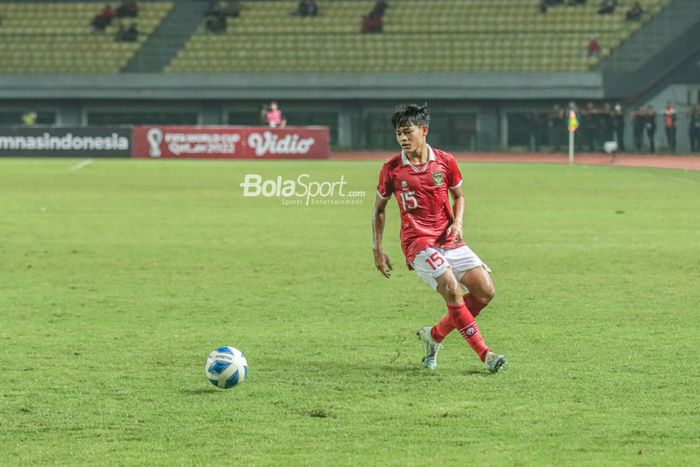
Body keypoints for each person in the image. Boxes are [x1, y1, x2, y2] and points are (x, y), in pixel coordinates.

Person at [371, 104, 507, 374]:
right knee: (452, 288)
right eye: (398, 134)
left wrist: (458, 222)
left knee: (485, 292)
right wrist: (377, 248)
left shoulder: (445, 161)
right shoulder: (392, 168)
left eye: (407, 132)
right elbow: (378, 209)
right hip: (418, 242)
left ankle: (433, 335)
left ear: (424, 130)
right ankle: (486, 354)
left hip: (449, 239)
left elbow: (460, 196)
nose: (402, 139)